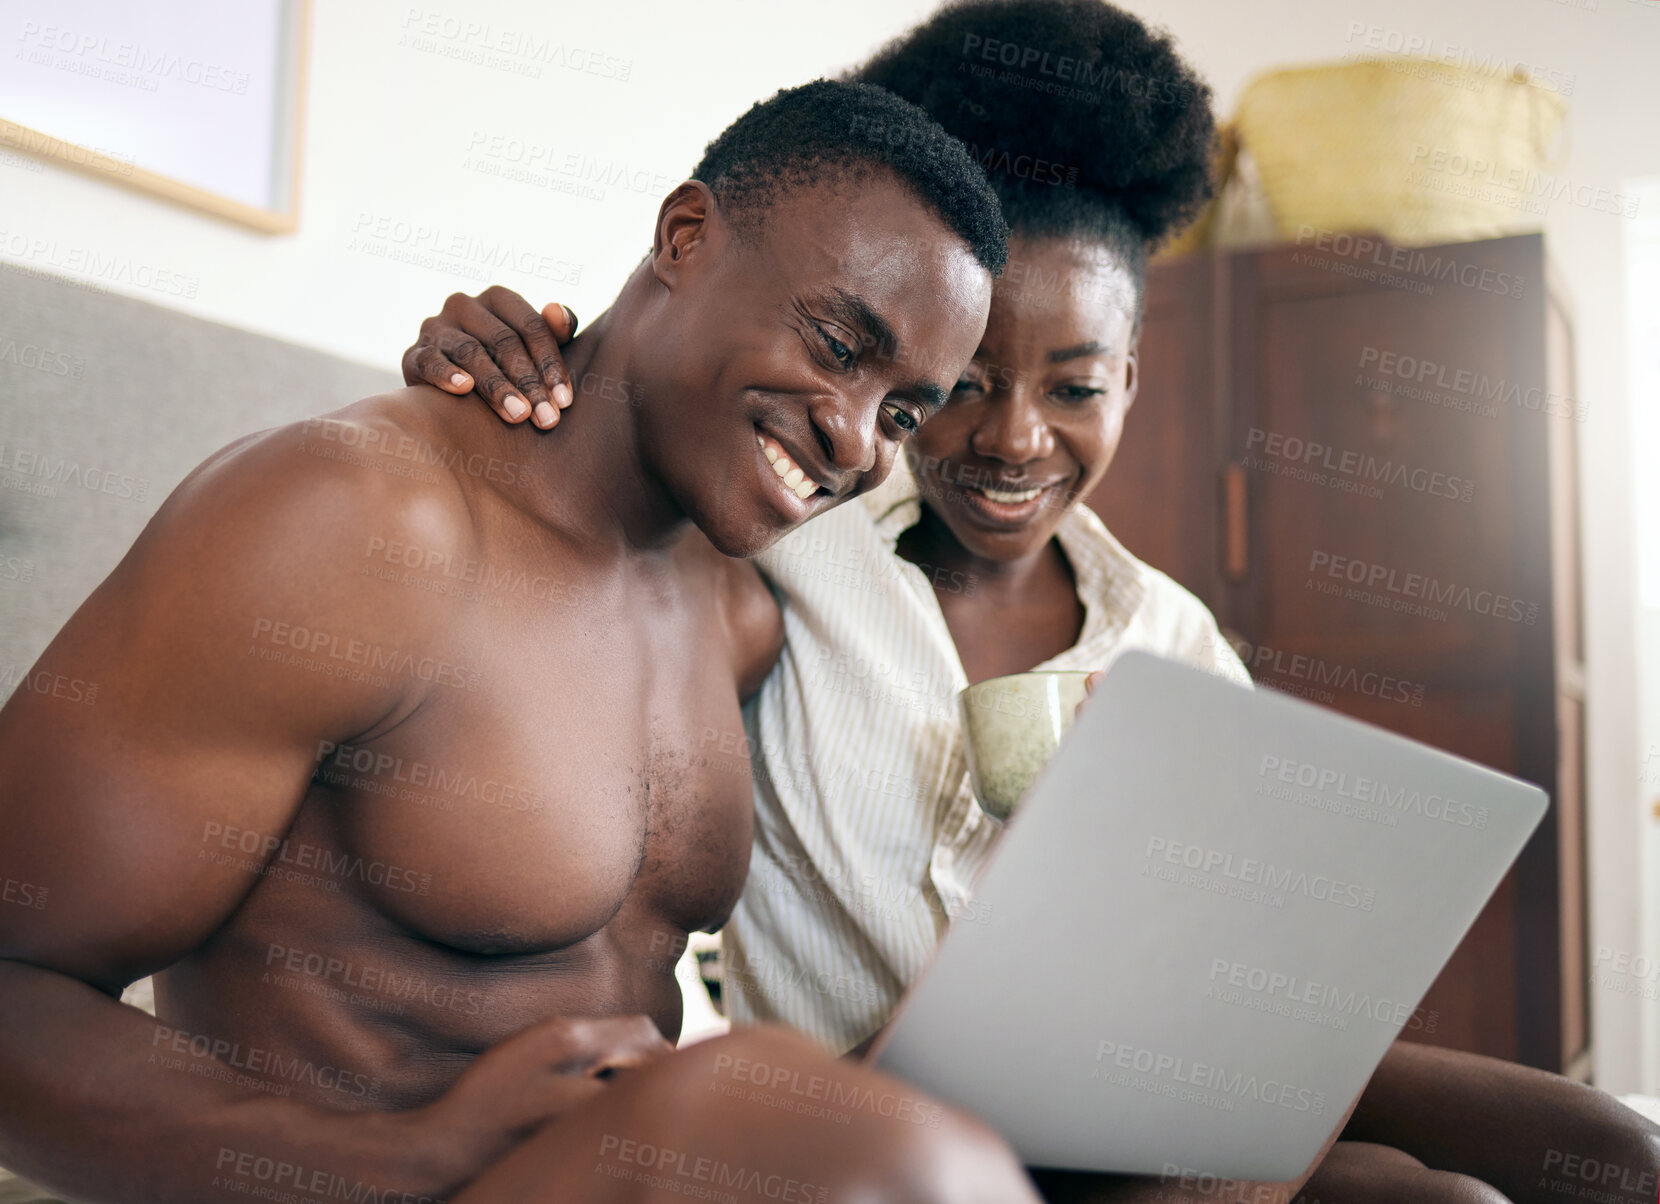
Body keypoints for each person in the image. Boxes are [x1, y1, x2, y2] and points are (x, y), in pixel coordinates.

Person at [400, 2, 1660, 1202]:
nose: (1012, 441)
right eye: (963, 385)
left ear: (1128, 380)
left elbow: (1240, 958)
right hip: (878, 1102)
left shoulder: (1170, 635)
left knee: (1600, 1146)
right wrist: (507, 352)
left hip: (1145, 1078)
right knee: (1368, 1186)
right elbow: (625, 446)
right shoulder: (780, 549)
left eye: (1072, 388)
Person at [0, 80, 1051, 1204]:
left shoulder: (739, 611)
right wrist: (392, 1160)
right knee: (903, 1170)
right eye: (840, 343)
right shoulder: (352, 520)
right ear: (684, 237)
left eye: (901, 412)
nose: (853, 441)